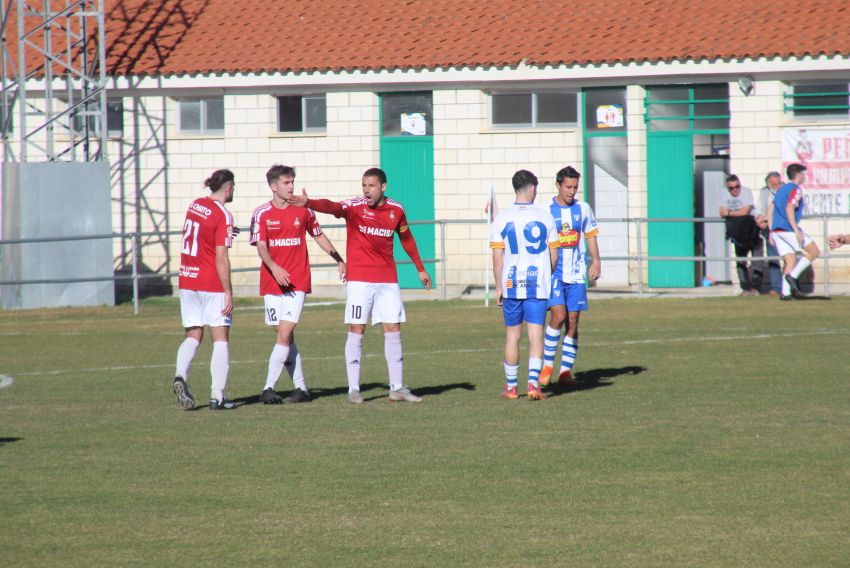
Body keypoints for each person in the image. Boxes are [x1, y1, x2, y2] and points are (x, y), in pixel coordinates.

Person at [286, 167, 432, 404]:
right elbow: (333, 207)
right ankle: (353, 388)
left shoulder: (396, 210)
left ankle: (397, 388)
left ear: (383, 187)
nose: (366, 190)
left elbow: (406, 238)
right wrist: (309, 202)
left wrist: (420, 268)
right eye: (364, 185)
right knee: (357, 330)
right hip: (360, 281)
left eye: (371, 186)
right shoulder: (354, 207)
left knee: (393, 329)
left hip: (387, 280)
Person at [249, 165, 346, 405]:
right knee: (285, 336)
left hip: (297, 282)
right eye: (286, 182)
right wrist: (274, 267)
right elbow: (261, 246)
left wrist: (339, 259)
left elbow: (319, 235)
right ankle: (301, 388)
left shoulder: (303, 210)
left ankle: (267, 387)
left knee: (284, 334)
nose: (291, 186)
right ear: (273, 186)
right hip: (272, 282)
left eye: (292, 182)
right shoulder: (261, 213)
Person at [490, 169, 558, 400]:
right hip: (536, 284)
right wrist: (546, 276)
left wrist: (499, 287)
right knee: (536, 335)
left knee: (512, 335)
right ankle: (532, 386)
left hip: (511, 283)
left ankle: (511, 388)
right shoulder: (545, 216)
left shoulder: (502, 218)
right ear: (532, 189)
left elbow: (497, 258)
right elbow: (554, 255)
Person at [173, 169, 238, 411]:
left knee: (193, 335)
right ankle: (217, 396)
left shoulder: (195, 205)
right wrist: (228, 291)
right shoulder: (224, 215)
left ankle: (181, 375)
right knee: (220, 338)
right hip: (211, 282)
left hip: (188, 279)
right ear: (229, 188)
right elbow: (221, 257)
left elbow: (201, 234)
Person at [539, 166, 601, 387]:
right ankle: (546, 365)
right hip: (554, 272)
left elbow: (591, 235)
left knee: (573, 321)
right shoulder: (545, 209)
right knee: (558, 316)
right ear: (558, 185)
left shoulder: (583, 208)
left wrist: (596, 260)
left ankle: (565, 371)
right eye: (568, 187)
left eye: (575, 187)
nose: (572, 191)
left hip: (576, 274)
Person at [770, 163, 820, 300]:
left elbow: (771, 208)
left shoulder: (781, 189)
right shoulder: (796, 189)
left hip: (777, 230)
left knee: (790, 260)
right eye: (803, 173)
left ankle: (785, 294)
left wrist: (770, 230)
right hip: (788, 228)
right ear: (798, 174)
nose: (805, 176)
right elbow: (789, 208)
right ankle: (792, 277)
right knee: (814, 251)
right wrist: (796, 229)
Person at [720, 174, 763, 296]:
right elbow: (721, 213)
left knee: (757, 261)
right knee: (740, 261)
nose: (735, 190)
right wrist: (735, 213)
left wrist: (729, 212)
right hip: (737, 233)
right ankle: (745, 288)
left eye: (737, 186)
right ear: (727, 188)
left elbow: (746, 211)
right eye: (731, 188)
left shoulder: (746, 191)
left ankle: (756, 288)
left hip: (752, 231)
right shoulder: (724, 193)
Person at [756, 171, 784, 296]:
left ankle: (793, 286)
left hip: (784, 229)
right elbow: (759, 208)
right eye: (775, 184)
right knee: (773, 258)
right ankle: (776, 287)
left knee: (790, 258)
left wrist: (765, 218)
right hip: (770, 230)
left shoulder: (785, 191)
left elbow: (782, 210)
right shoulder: (764, 192)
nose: (778, 186)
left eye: (779, 183)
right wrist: (760, 219)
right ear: (768, 184)